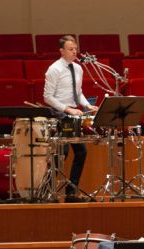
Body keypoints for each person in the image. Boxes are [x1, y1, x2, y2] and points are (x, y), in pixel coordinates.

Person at [43, 35, 98, 201]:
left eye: (75, 49)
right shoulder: (54, 69)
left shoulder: (78, 68)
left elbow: (78, 92)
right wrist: (66, 109)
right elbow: (47, 96)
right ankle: (48, 189)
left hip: (73, 114)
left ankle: (71, 191)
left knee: (81, 152)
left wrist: (87, 105)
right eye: (70, 49)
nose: (74, 52)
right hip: (59, 113)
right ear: (61, 51)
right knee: (62, 153)